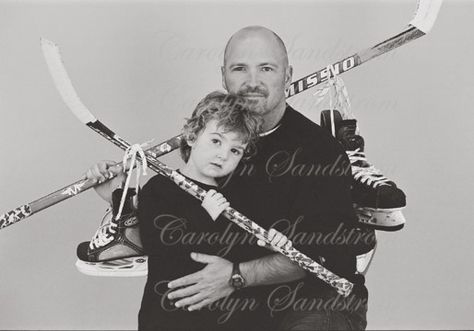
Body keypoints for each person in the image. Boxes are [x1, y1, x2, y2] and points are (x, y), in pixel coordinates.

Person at [164, 26, 375, 330]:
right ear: (224, 76)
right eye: (240, 69)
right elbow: (181, 214)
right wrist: (120, 197)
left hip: (315, 299)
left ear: (287, 75)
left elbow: (315, 256)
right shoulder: (212, 145)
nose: (252, 82)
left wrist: (235, 275)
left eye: (266, 68)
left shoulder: (320, 153)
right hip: (237, 297)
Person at [85, 91, 293, 330]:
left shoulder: (240, 198)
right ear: (192, 136)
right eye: (216, 141)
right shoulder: (161, 188)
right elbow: (163, 246)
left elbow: (244, 257)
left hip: (228, 321)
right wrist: (116, 193)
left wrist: (273, 243)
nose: (223, 155)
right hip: (169, 318)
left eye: (235, 150)